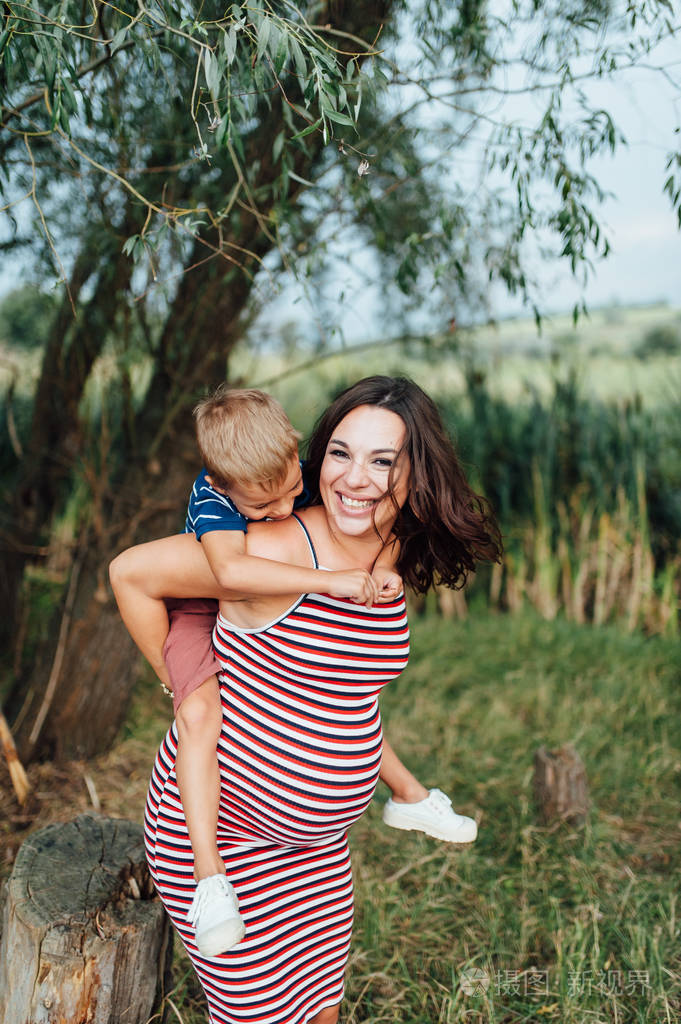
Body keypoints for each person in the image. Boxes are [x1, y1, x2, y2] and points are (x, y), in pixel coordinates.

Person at [109, 386, 478, 960]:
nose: (355, 478)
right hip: (230, 843)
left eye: (381, 460)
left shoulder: (385, 541)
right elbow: (134, 572)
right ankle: (208, 884)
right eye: (341, 453)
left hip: (321, 851)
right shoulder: (267, 542)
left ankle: (408, 795)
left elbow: (339, 690)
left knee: (322, 1003)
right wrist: (180, 681)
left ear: (417, 473)